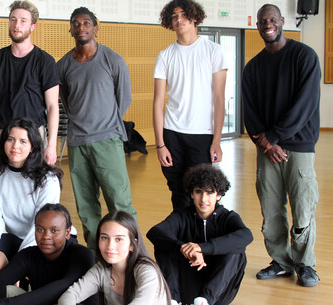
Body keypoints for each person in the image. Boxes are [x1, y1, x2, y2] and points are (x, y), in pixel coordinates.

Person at [242, 4, 321, 287]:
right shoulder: (253, 67)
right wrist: (263, 143)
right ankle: (281, 261)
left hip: (298, 146)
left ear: (282, 21)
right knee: (271, 209)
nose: (268, 24)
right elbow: (249, 111)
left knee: (302, 208)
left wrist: (273, 137)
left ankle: (305, 264)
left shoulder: (304, 57)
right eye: (263, 21)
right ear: (258, 25)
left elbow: (305, 105)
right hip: (267, 150)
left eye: (272, 19)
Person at [57, 7, 137, 252]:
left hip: (107, 140)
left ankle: (129, 250)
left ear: (95, 28)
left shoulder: (112, 60)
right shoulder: (62, 65)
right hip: (77, 143)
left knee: (119, 201)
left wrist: (106, 124)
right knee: (86, 205)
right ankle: (94, 253)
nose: (81, 27)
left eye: (86, 23)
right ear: (71, 30)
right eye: (76, 24)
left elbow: (124, 99)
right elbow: (65, 101)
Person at [147, 164, 253, 305]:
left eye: (210, 192)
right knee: (164, 244)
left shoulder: (228, 217)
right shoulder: (182, 216)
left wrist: (202, 248)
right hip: (184, 290)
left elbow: (246, 235)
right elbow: (155, 232)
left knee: (236, 250)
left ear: (219, 195)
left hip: (217, 294)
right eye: (198, 192)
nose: (204, 199)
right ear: (191, 194)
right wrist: (182, 247)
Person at [153, 0, 227, 211]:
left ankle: (200, 241)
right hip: (172, 133)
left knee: (201, 192)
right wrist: (160, 144)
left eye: (183, 15)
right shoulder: (165, 55)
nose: (179, 20)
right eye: (174, 16)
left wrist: (217, 140)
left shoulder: (214, 51)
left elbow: (219, 99)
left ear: (194, 17)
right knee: (177, 191)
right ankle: (182, 241)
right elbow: (158, 102)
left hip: (203, 134)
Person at [58, 211, 172, 305]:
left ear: (132, 245)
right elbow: (69, 296)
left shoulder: (146, 270)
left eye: (119, 239)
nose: (110, 246)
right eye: (105, 238)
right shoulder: (101, 270)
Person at [0, 0, 59, 170]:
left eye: (23, 21)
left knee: (32, 185)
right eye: (13, 19)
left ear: (32, 26)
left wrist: (51, 144)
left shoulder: (45, 61)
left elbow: (52, 106)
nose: (17, 25)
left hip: (33, 135)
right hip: (0, 133)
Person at [0, 117, 68, 259]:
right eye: (10, 139)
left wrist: (20, 261)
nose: (15, 146)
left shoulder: (48, 179)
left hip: (46, 239)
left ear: (32, 146)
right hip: (14, 239)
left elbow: (41, 226)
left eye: (23, 141)